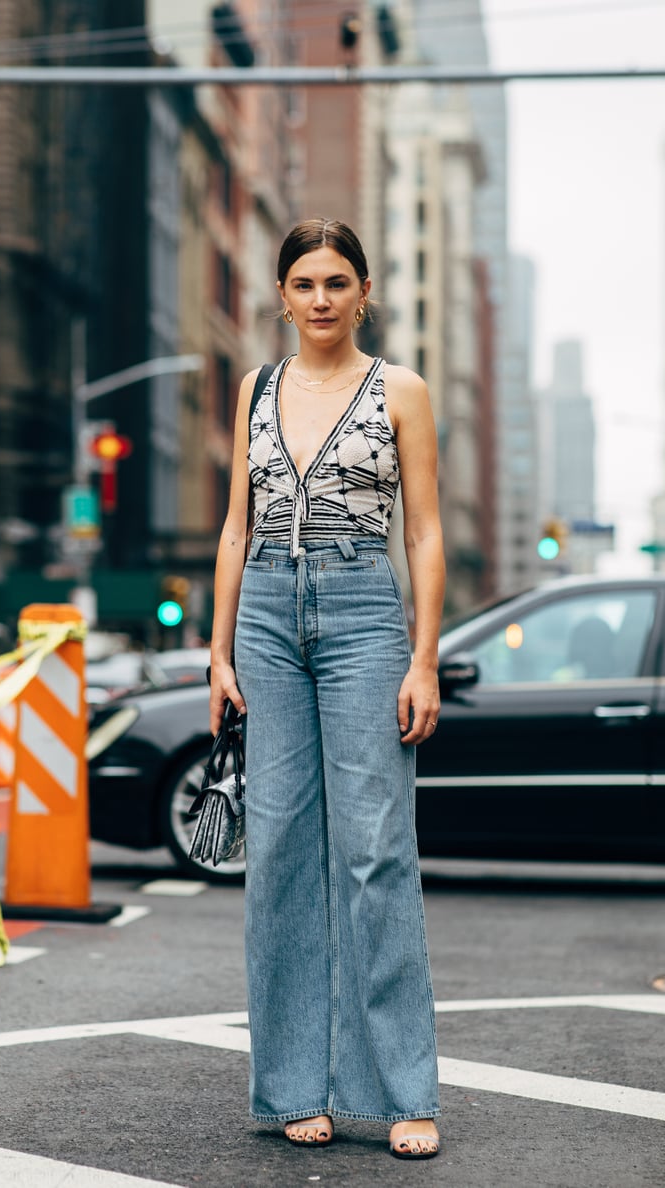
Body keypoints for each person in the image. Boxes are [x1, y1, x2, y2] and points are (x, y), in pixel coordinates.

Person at [209, 217, 445, 1160]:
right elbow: (235, 527)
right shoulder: (254, 389)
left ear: (363, 292)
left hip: (362, 612)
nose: (319, 299)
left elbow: (423, 534)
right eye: (303, 283)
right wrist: (218, 652)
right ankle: (293, 1086)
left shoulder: (402, 392)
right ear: (281, 294)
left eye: (336, 282)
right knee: (279, 856)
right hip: (265, 609)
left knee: (376, 851)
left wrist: (422, 658)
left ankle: (401, 1090)